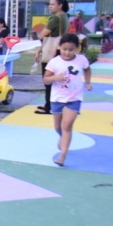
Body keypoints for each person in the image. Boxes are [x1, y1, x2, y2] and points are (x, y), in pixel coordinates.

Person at [43, 33, 92, 166]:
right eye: (64, 49)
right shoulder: (54, 62)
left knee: (67, 126)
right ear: (59, 47)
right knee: (57, 127)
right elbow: (45, 79)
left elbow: (87, 69)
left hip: (74, 98)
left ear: (77, 48)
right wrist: (55, 78)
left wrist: (88, 82)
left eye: (71, 50)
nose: (67, 52)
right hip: (57, 98)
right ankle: (62, 137)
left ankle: (62, 156)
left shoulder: (81, 59)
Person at [34, 0, 70, 115]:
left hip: (51, 51)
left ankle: (49, 106)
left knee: (48, 79)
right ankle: (52, 104)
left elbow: (42, 36)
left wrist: (39, 49)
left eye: (53, 4)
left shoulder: (55, 19)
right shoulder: (65, 16)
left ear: (60, 5)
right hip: (59, 50)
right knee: (57, 80)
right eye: (49, 4)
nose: (50, 6)